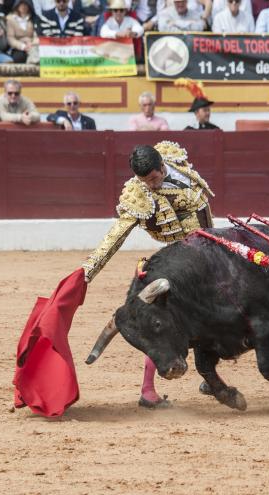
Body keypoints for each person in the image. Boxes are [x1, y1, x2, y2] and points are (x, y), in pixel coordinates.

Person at [82, 141, 216, 408]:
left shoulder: (176, 161)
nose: (151, 186)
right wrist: (87, 272)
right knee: (160, 324)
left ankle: (211, 378)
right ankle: (148, 391)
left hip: (207, 255)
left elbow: (203, 212)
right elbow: (115, 237)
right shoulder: (137, 194)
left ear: (162, 166)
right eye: (145, 181)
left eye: (154, 179)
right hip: (174, 264)